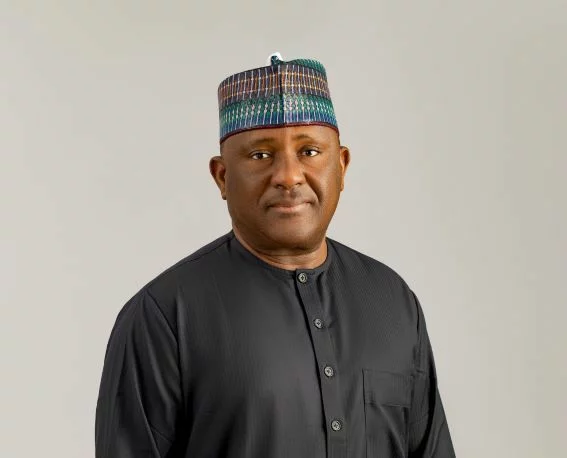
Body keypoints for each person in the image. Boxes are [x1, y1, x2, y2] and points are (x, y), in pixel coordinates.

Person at [95, 52, 456, 458]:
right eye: (260, 155)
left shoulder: (392, 300)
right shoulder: (165, 316)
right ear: (222, 176)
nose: (288, 176)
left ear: (341, 165)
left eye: (310, 151)